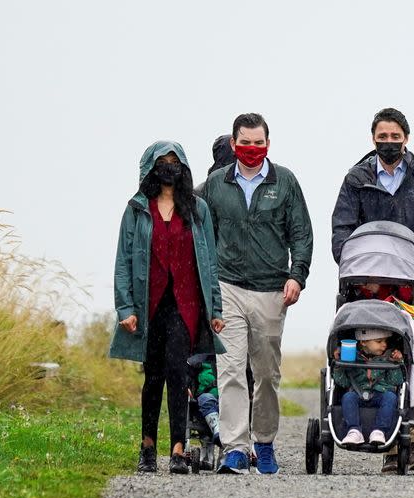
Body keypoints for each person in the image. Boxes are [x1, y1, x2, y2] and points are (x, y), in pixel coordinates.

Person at [199, 113, 313, 475]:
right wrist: (210, 286)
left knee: (265, 374)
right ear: (234, 145)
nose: (251, 150)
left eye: (258, 143)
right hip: (228, 287)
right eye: (245, 144)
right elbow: (203, 238)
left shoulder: (286, 182)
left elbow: (301, 234)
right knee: (229, 368)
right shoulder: (216, 185)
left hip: (271, 290)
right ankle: (235, 447)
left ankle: (264, 443)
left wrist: (297, 277)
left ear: (268, 144)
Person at [110, 141, 225, 475]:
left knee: (178, 370)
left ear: (184, 167)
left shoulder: (197, 209)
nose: (169, 167)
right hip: (149, 304)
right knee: (153, 375)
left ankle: (178, 450)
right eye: (163, 162)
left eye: (175, 162)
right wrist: (125, 308)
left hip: (186, 304)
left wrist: (215, 309)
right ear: (150, 167)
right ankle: (147, 448)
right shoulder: (136, 209)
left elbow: (210, 263)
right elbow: (123, 262)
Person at [331, 107, 414, 337]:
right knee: (370, 343)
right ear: (373, 139)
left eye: (395, 137)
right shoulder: (356, 178)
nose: (389, 142)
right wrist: (354, 268)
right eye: (382, 137)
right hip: (366, 283)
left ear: (406, 138)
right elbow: (342, 229)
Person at [333, 328, 404, 445]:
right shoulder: (351, 357)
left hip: (380, 393)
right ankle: (354, 431)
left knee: (390, 397)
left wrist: (397, 362)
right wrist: (338, 365)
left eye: (385, 341)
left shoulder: (388, 357)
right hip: (357, 393)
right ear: (363, 342)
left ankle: (379, 431)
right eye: (379, 341)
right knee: (348, 397)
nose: (384, 345)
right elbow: (344, 383)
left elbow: (395, 381)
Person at [196, 361, 221, 446]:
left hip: (226, 396)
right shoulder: (200, 363)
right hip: (206, 395)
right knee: (206, 399)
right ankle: (216, 429)